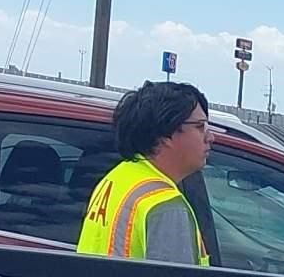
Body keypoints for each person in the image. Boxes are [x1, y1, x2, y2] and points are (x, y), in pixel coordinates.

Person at [78, 81, 212, 264]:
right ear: (166, 134)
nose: (210, 137)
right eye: (199, 126)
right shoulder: (166, 206)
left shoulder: (118, 177)